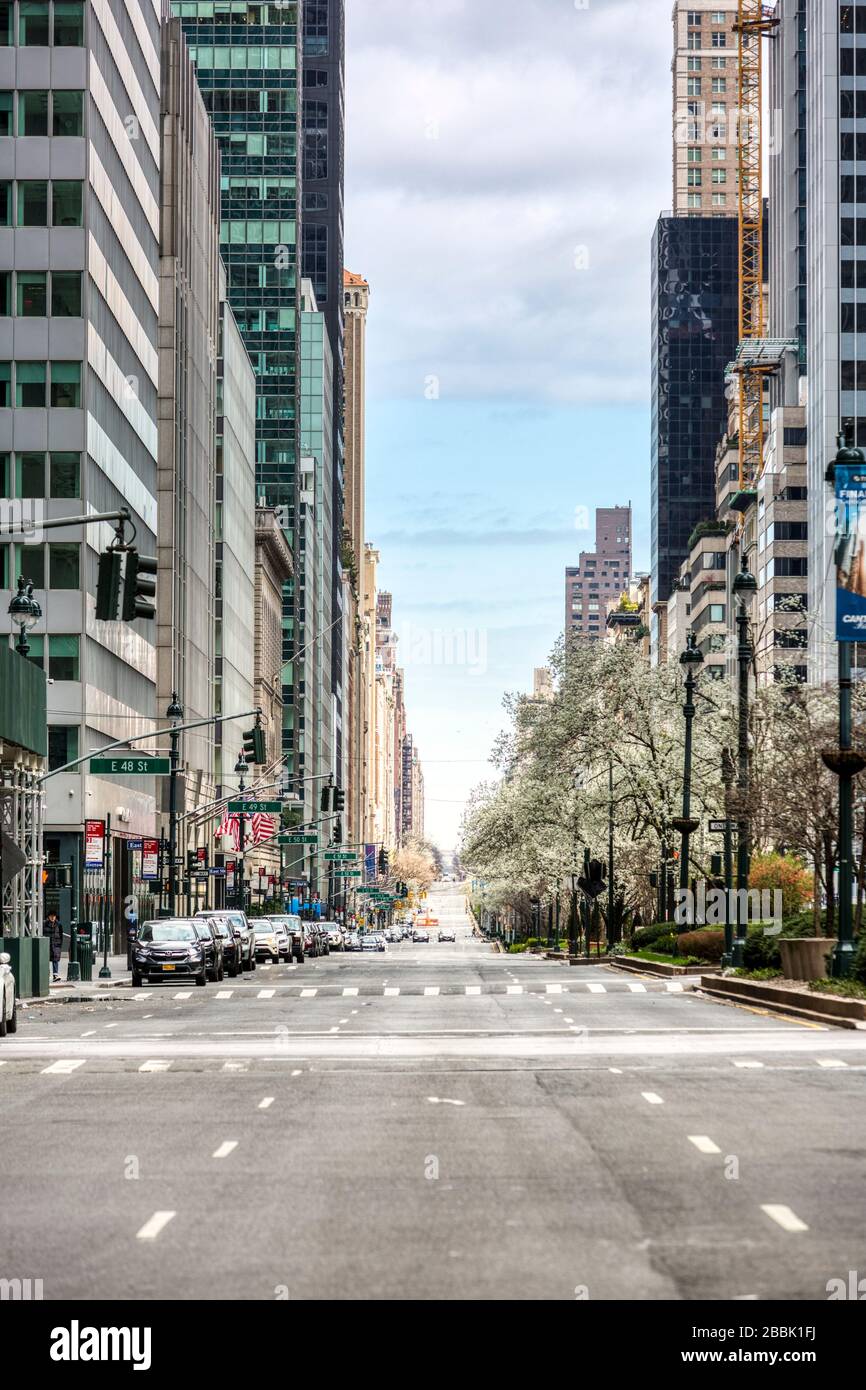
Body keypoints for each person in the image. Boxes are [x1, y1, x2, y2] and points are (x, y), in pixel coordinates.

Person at [43, 910, 64, 983]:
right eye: (51, 916)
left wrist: (60, 944)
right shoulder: (45, 924)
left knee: (55, 960)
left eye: (54, 916)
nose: (52, 917)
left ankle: (55, 975)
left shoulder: (59, 924)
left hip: (56, 944)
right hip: (47, 944)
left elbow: (61, 935)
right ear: (48, 917)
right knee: (46, 960)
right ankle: (46, 974)